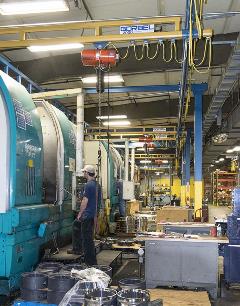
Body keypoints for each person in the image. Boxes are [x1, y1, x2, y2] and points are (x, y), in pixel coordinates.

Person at [68, 165, 101, 266]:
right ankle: (77, 249)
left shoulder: (88, 185)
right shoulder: (96, 185)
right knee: (76, 225)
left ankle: (90, 263)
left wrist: (80, 214)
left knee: (87, 240)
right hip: (93, 215)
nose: (83, 174)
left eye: (84, 172)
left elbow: (85, 201)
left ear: (87, 173)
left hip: (87, 215)